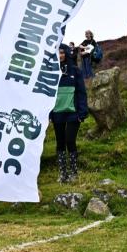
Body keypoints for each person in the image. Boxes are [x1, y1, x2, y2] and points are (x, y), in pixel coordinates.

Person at [50, 44, 89, 183]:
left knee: (70, 140)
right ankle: (62, 173)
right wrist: (49, 114)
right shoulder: (51, 72)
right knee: (60, 142)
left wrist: (82, 112)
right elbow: (47, 94)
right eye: (57, 53)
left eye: (62, 52)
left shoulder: (75, 71)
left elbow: (81, 92)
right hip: (57, 113)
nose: (60, 55)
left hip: (73, 113)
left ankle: (73, 172)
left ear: (66, 53)